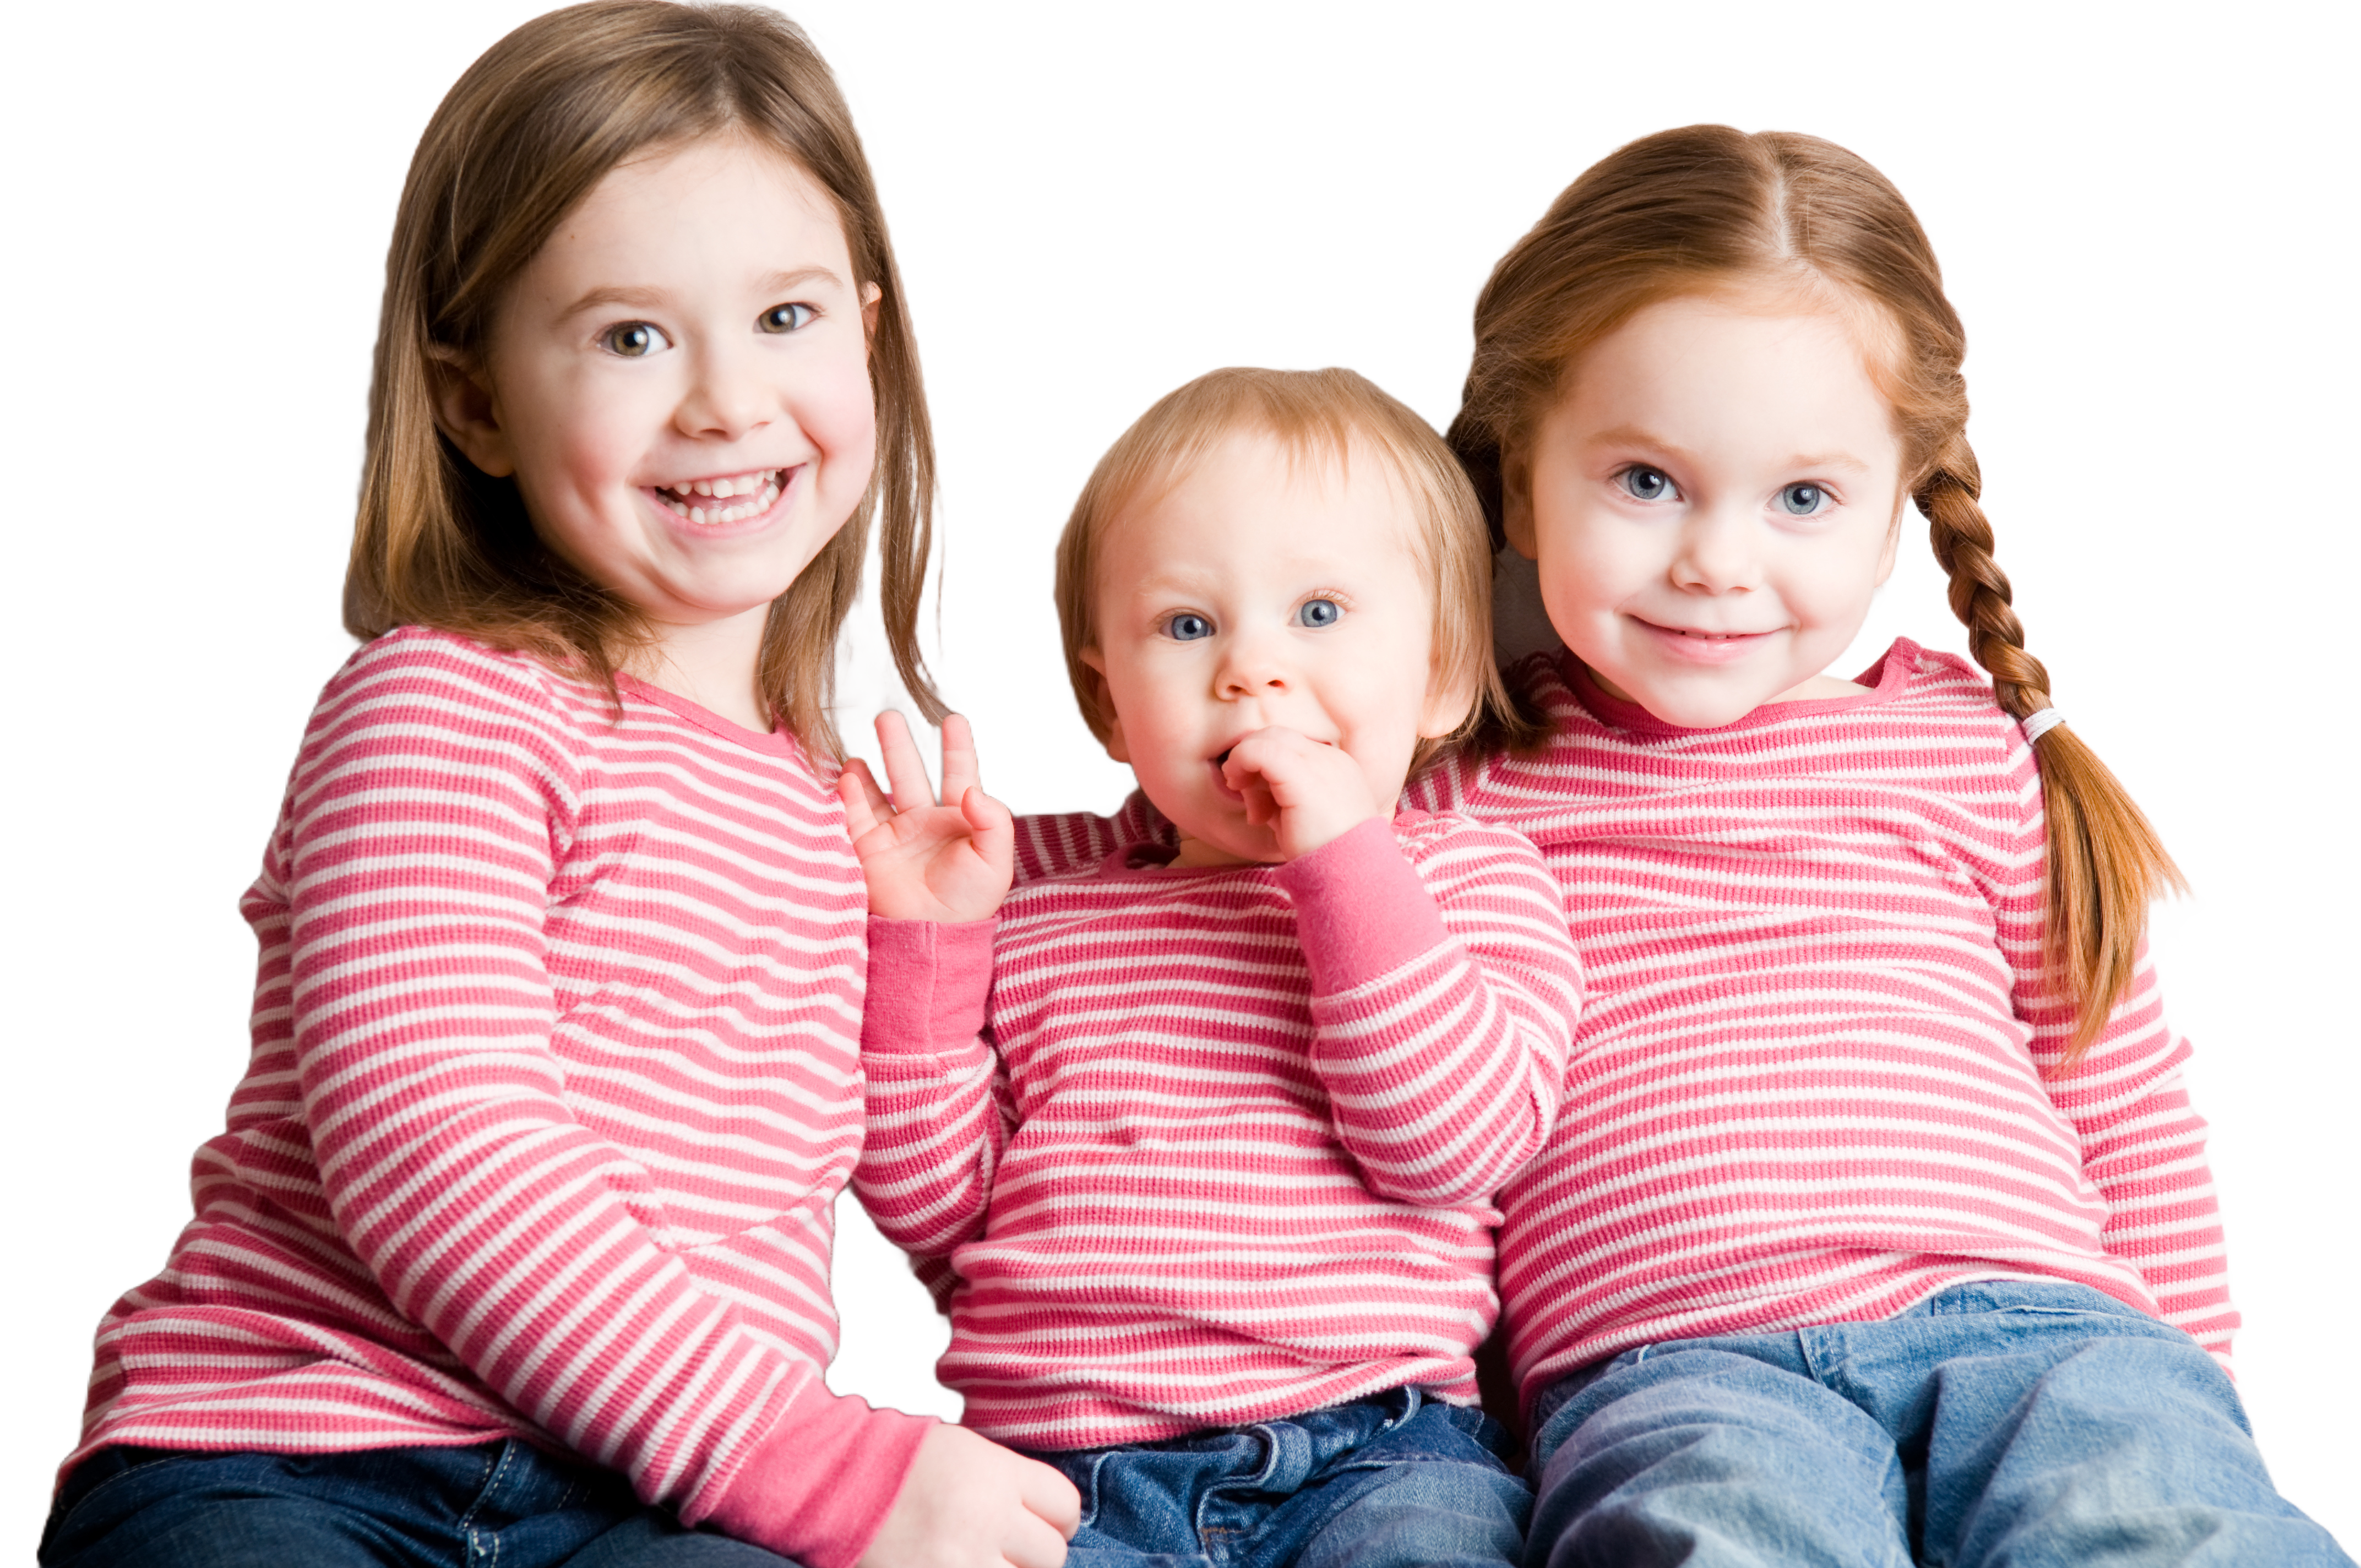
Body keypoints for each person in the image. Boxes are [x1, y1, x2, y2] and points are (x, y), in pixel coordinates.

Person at [40, 6, 1080, 1566]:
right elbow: (439, 1143)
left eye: (786, 318)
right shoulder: (444, 708)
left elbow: (926, 1196)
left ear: (866, 328)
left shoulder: (822, 806)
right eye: (632, 335)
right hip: (305, 1459)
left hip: (647, 1507)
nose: (727, 402)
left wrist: (922, 954)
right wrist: (821, 1467)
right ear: (473, 404)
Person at [1406, 123, 2353, 1566]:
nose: (1718, 560)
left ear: (1893, 503)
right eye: (1647, 481)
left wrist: (2194, 1392)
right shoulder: (1461, 785)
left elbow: (2122, 1091)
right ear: (1521, 471)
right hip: (1675, 1360)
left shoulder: (1962, 743)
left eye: (1801, 498)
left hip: (2046, 1331)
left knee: (2162, 1526)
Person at [837, 367, 1581, 1568]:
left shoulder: (1467, 883)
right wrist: (927, 945)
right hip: (1061, 1473)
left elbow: (1450, 1144)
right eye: (1189, 627)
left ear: (1442, 671)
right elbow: (936, 1211)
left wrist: (1344, 858)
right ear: (1108, 701)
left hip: (1376, 1450)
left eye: (1321, 613)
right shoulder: (1037, 912)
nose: (1251, 670)